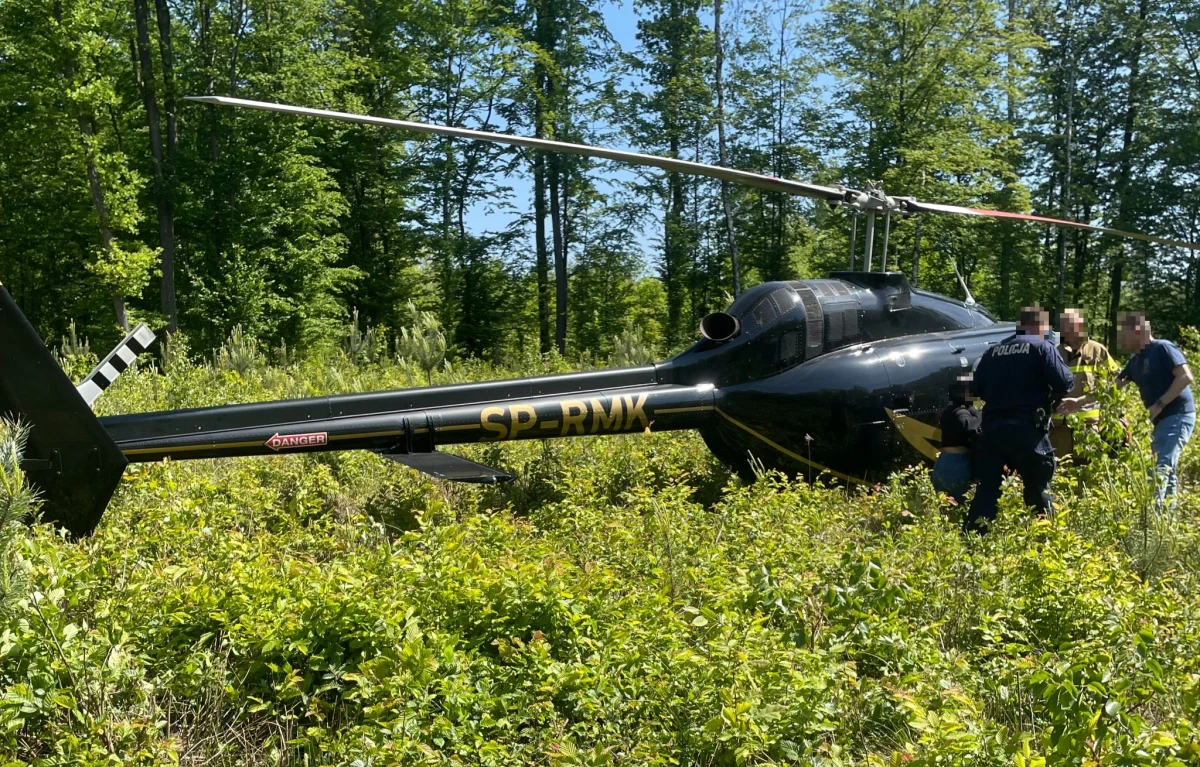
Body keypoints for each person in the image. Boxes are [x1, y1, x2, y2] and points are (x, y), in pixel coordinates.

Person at [966, 306, 1074, 533]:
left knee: (987, 489)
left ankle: (974, 539)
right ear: (1039, 326)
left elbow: (977, 390)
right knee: (1037, 488)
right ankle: (1046, 538)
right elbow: (1064, 382)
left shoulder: (992, 352)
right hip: (1028, 430)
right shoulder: (1042, 347)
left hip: (993, 430)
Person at [1115, 312, 1195, 504]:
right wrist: (1077, 402)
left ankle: (1151, 518)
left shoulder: (1162, 348)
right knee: (1167, 469)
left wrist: (1159, 405)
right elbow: (1111, 388)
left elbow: (1185, 376)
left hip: (1177, 415)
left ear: (1136, 331)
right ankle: (1166, 520)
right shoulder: (1135, 361)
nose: (1120, 338)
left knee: (1159, 468)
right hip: (1163, 421)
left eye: (1122, 333)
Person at [1052, 308, 1118, 459]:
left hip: (1089, 428)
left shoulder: (1097, 350)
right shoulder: (1054, 352)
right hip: (1059, 427)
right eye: (1064, 325)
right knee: (1061, 471)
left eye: (1071, 325)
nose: (1066, 330)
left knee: (1088, 469)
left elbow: (1115, 383)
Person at [932, 377, 980, 505]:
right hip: (957, 462)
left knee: (944, 506)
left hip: (944, 460)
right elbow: (968, 426)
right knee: (959, 504)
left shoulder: (950, 411)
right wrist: (981, 414)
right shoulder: (960, 412)